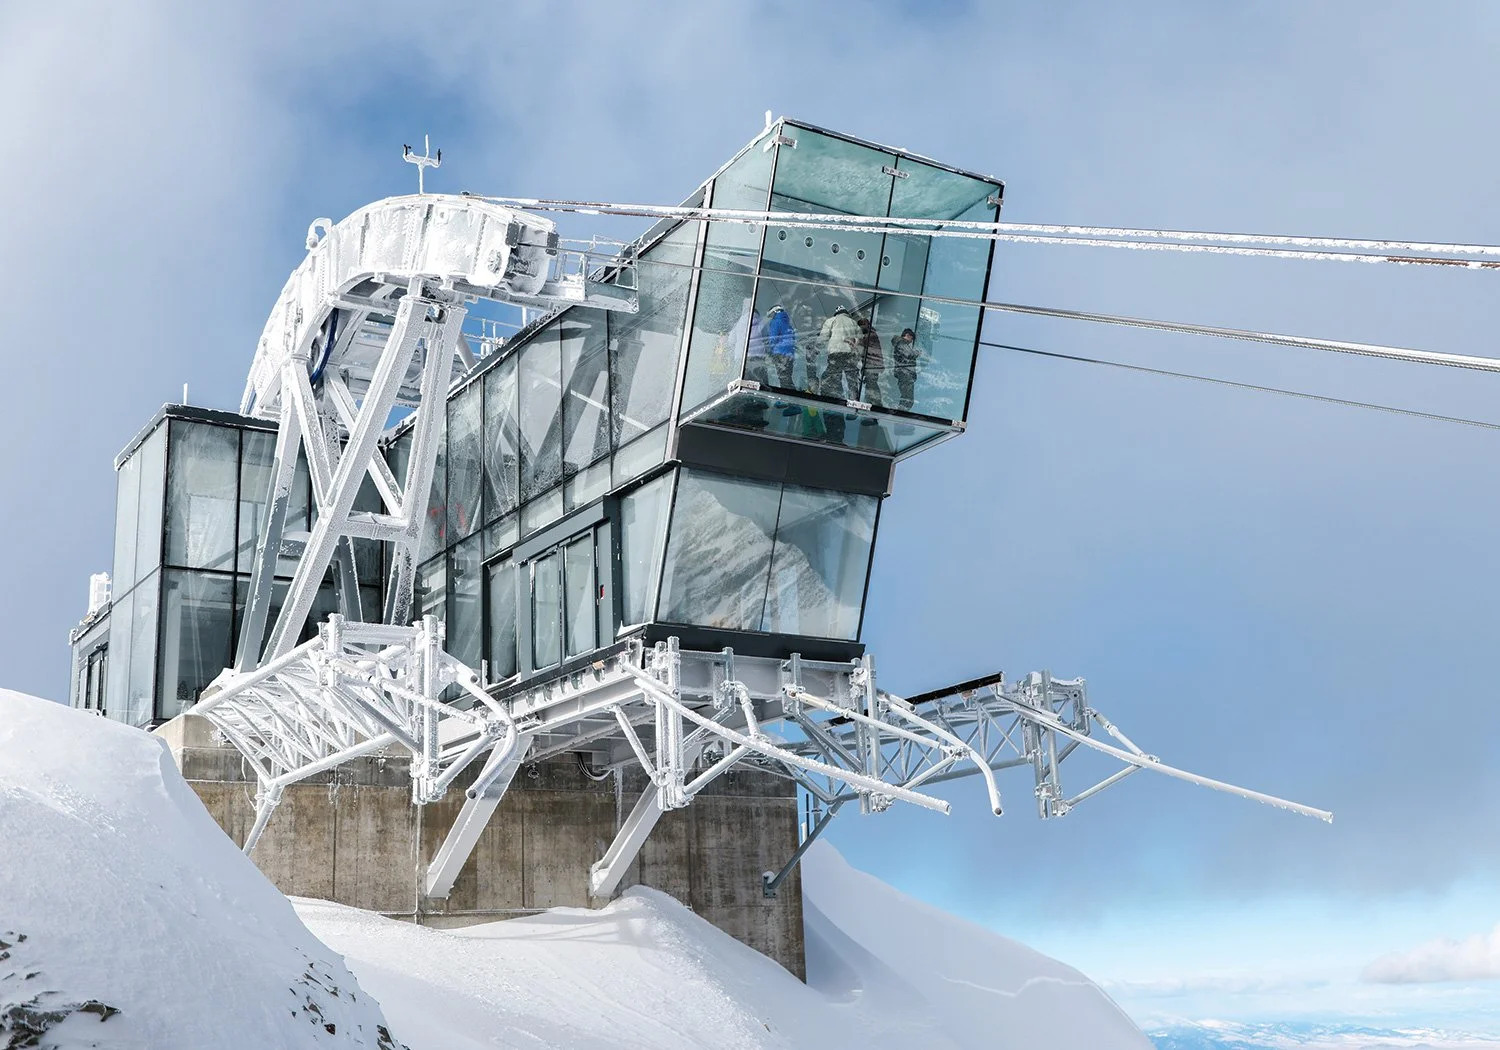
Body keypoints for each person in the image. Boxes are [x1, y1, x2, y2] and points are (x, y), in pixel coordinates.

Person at [891, 327, 922, 412]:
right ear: (907, 335)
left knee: (907, 399)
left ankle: (900, 412)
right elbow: (909, 354)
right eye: (912, 339)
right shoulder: (901, 343)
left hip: (905, 374)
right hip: (905, 374)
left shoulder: (901, 344)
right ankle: (900, 413)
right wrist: (917, 353)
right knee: (908, 399)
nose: (911, 342)